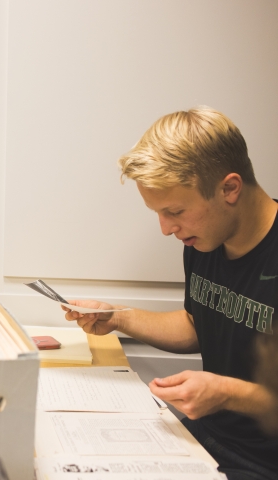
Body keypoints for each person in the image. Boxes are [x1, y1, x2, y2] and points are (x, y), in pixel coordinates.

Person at [63, 107, 277, 479]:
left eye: (175, 211)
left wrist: (226, 393)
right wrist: (116, 317)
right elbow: (198, 324)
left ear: (229, 188)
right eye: (159, 213)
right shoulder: (204, 240)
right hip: (206, 439)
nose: (166, 229)